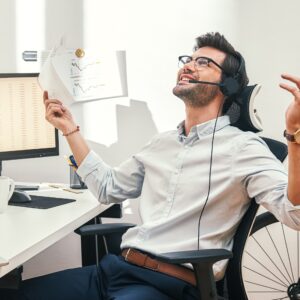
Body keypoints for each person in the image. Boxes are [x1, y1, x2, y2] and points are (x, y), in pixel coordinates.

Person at [2, 32, 300, 300]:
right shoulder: (162, 143)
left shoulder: (244, 148)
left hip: (165, 285)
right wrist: (69, 129)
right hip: (113, 271)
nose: (188, 65)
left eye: (203, 62)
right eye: (188, 59)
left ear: (228, 85)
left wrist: (294, 136)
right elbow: (108, 188)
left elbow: (294, 213)